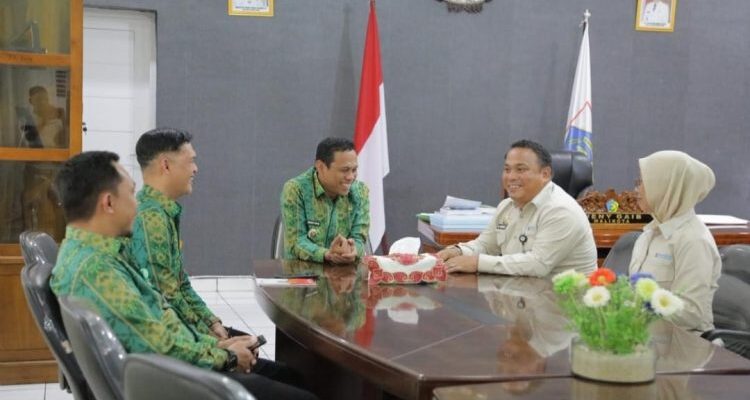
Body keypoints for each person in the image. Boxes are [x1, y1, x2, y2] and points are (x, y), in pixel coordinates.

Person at [50, 151, 317, 400]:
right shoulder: (97, 271)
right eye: (131, 194)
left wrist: (218, 344)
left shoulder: (89, 253)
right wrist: (227, 356)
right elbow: (159, 347)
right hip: (171, 383)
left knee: (291, 377)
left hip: (170, 370)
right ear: (108, 203)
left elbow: (158, 325)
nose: (137, 204)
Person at [437, 139, 597, 277]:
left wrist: (477, 263)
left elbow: (537, 265)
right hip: (524, 294)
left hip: (565, 300)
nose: (511, 177)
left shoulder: (561, 210)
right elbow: (485, 245)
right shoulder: (506, 206)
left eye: (521, 169)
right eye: (507, 169)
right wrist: (457, 251)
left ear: (545, 174)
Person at [128, 128, 228, 339]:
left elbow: (181, 284)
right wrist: (213, 341)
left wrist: (212, 322)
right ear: (166, 165)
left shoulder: (161, 211)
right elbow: (165, 298)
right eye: (190, 161)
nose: (195, 169)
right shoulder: (150, 218)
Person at [629, 150, 720, 333]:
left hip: (685, 343)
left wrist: (633, 311)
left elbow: (690, 314)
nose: (637, 189)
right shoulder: (648, 234)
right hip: (647, 336)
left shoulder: (694, 240)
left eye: (643, 181)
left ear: (666, 186)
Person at [280, 137, 370, 263]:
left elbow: (359, 238)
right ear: (320, 167)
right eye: (344, 170)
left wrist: (353, 250)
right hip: (303, 271)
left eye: (354, 170)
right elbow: (296, 241)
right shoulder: (296, 189)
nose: (351, 177)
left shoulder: (360, 191)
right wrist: (326, 254)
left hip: (345, 271)